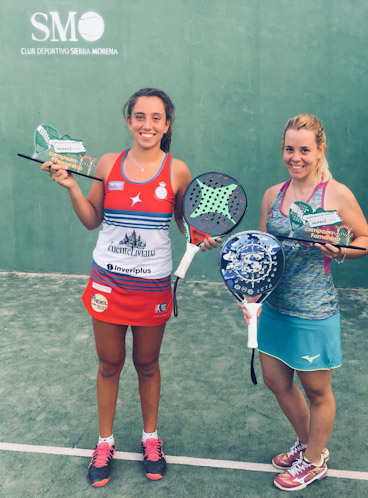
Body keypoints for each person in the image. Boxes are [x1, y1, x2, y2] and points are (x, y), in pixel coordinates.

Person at [41, 88, 218, 487]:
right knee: (109, 364)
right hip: (107, 282)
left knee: (147, 365)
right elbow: (91, 219)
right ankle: (105, 443)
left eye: (156, 118)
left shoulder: (178, 171)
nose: (147, 125)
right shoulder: (107, 163)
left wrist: (200, 236)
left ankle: (150, 439)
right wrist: (70, 186)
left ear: (167, 124)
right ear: (128, 121)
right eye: (140, 117)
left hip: (153, 287)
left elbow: (185, 224)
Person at [241, 113, 368, 492]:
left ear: (320, 151)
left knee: (317, 391)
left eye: (304, 149)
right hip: (274, 307)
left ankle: (314, 461)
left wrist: (342, 250)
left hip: (314, 311)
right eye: (289, 149)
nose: (295, 157)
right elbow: (262, 252)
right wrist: (252, 294)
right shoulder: (273, 195)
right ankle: (308, 444)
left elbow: (366, 239)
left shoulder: (336, 194)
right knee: (275, 380)